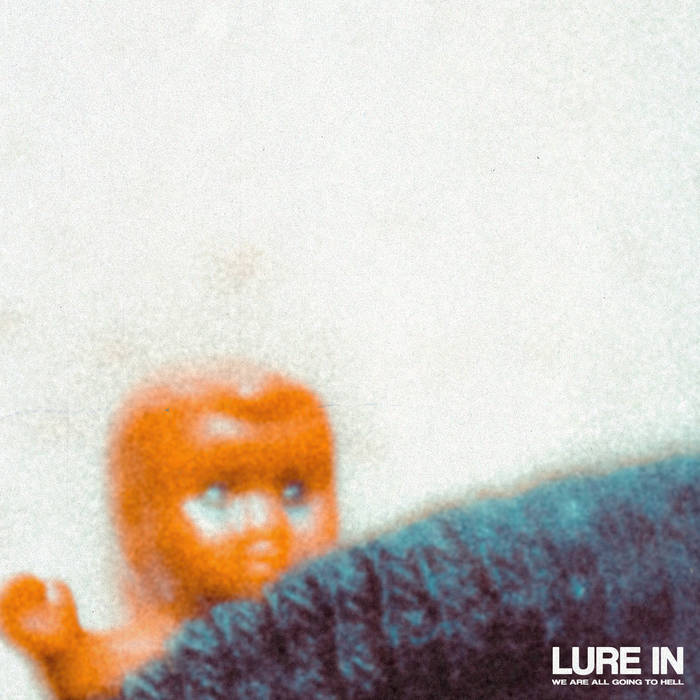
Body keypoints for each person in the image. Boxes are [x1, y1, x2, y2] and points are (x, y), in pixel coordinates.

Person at [0, 364, 339, 699]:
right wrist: (63, 655)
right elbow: (99, 676)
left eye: (294, 493)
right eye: (217, 495)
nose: (267, 524)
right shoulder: (159, 651)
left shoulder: (338, 636)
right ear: (138, 515)